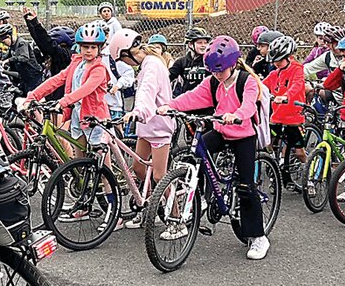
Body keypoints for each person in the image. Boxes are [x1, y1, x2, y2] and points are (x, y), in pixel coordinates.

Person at [164, 36, 270, 260]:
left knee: (245, 186)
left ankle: (258, 237)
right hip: (221, 131)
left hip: (243, 134)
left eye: (220, 71)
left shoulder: (246, 81)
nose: (217, 75)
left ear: (233, 64)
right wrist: (169, 106)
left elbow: (249, 106)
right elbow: (193, 97)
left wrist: (237, 116)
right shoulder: (212, 81)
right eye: (212, 71)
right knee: (194, 154)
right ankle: (199, 195)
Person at [15, 21, 112, 154]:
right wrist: (32, 97)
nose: (89, 50)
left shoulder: (99, 69)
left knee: (101, 163)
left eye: (93, 47)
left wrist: (63, 102)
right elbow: (56, 80)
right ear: (79, 47)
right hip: (78, 115)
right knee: (80, 159)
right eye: (85, 47)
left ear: (99, 48)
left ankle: (107, 174)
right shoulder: (77, 64)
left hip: (95, 118)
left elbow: (86, 89)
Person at [115, 29, 172, 226]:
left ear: (128, 53)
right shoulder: (147, 63)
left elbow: (147, 91)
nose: (125, 65)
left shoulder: (152, 65)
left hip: (159, 126)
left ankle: (177, 218)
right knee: (138, 168)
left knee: (159, 175)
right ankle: (151, 207)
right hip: (147, 125)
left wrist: (138, 111)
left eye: (123, 61)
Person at [263, 34, 307, 187]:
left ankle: (310, 178)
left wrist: (285, 96)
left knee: (299, 152)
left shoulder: (297, 70)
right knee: (268, 141)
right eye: (274, 61)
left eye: (279, 60)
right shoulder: (275, 73)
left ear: (289, 57)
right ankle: (277, 166)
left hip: (294, 117)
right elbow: (262, 85)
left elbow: (296, 86)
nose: (276, 64)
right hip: (277, 116)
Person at [0, 23, 43, 94]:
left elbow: (24, 58)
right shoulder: (12, 46)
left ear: (8, 36)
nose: (3, 44)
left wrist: (8, 60)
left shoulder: (22, 43)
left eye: (3, 42)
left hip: (34, 78)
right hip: (24, 78)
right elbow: (5, 57)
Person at [169, 28, 212, 94]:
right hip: (187, 99)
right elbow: (168, 77)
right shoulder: (181, 62)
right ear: (190, 44)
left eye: (205, 43)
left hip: (206, 99)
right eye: (199, 43)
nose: (203, 45)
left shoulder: (209, 61)